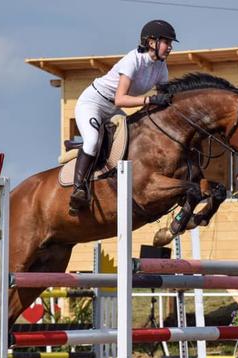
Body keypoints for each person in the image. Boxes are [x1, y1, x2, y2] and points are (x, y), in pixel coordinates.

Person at [69, 19, 177, 215]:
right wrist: (149, 100)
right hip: (94, 103)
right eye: (166, 42)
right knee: (92, 141)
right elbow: (120, 99)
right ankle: (79, 189)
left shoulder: (161, 67)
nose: (169, 47)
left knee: (131, 141)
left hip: (113, 110)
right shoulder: (132, 60)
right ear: (151, 42)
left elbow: (163, 97)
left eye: (170, 43)